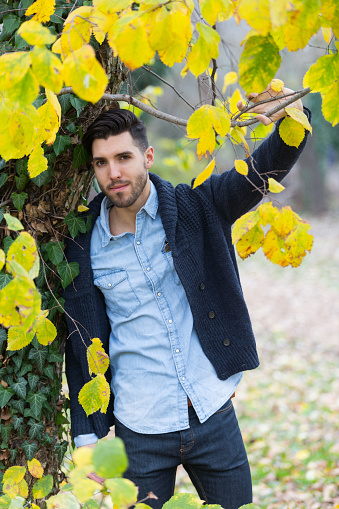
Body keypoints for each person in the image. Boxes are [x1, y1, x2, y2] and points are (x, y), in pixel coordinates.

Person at [63, 85, 310, 509]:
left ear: (148, 157)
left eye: (123, 157)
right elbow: (82, 338)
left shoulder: (198, 206)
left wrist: (294, 113)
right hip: (138, 429)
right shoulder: (81, 244)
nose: (114, 172)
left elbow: (264, 169)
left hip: (212, 412)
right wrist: (86, 437)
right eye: (101, 163)